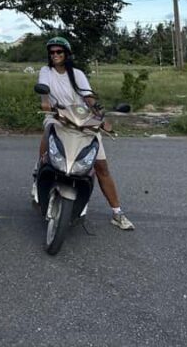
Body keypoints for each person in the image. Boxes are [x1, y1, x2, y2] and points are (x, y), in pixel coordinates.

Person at [37, 36, 135, 231]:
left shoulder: (77, 74)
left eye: (59, 51)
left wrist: (100, 115)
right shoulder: (46, 71)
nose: (55, 55)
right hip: (58, 116)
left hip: (82, 119)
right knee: (49, 130)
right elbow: (44, 91)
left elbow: (88, 97)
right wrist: (46, 103)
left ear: (67, 54)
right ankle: (38, 172)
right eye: (52, 52)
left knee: (101, 167)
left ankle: (117, 212)